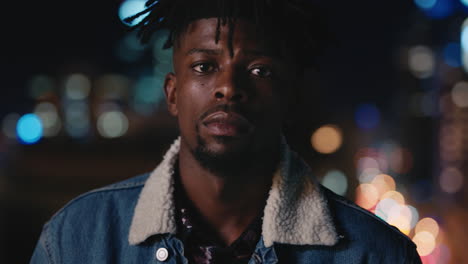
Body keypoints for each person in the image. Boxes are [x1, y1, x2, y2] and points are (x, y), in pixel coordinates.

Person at [31, 0, 422, 263]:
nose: (229, 87)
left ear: (289, 98)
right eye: (204, 66)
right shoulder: (77, 239)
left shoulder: (375, 253)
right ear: (172, 92)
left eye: (259, 70)